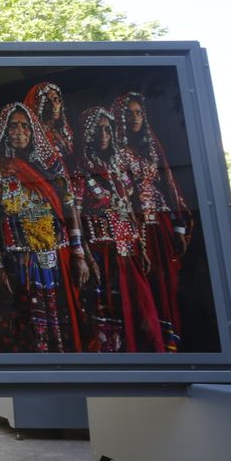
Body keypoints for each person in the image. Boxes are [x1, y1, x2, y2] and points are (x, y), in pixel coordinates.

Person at [0, 102, 90, 352]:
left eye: (25, 126)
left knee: (65, 320)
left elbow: (69, 207)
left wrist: (79, 253)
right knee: (26, 324)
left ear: (33, 131)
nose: (19, 131)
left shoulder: (52, 165)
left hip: (57, 257)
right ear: (4, 131)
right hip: (19, 262)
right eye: (13, 126)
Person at [75, 107, 162, 352]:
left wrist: (141, 247)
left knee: (140, 308)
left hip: (128, 250)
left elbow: (129, 209)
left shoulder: (118, 168)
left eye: (107, 129)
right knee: (106, 310)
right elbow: (76, 215)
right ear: (87, 134)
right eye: (97, 130)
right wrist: (88, 257)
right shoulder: (80, 170)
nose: (103, 134)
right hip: (101, 250)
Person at [112, 92, 191, 351]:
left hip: (160, 223)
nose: (135, 118)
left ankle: (171, 341)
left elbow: (170, 186)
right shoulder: (116, 152)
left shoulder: (152, 148)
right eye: (129, 113)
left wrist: (178, 226)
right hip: (135, 225)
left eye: (138, 113)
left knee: (168, 279)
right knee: (146, 284)